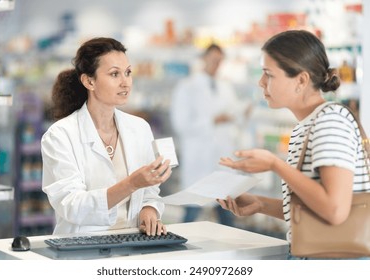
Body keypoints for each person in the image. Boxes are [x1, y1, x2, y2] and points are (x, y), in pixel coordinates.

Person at [217, 30, 370, 259]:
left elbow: (335, 211)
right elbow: (312, 212)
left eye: (269, 74)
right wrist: (260, 204)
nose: (261, 82)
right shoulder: (307, 126)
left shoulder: (330, 122)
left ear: (301, 80)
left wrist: (275, 165)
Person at [41, 37, 172, 236]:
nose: (125, 82)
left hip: (133, 242)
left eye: (128, 73)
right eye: (114, 74)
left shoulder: (140, 128)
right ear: (89, 81)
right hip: (81, 247)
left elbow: (150, 192)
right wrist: (131, 183)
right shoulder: (60, 135)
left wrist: (149, 209)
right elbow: (72, 205)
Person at [170, 43, 250, 226]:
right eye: (213, 59)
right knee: (191, 213)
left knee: (226, 213)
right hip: (199, 159)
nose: (216, 64)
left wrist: (242, 113)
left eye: (220, 60)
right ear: (204, 59)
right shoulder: (187, 87)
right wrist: (212, 121)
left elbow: (233, 115)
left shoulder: (225, 86)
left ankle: (230, 252)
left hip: (221, 159)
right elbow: (180, 124)